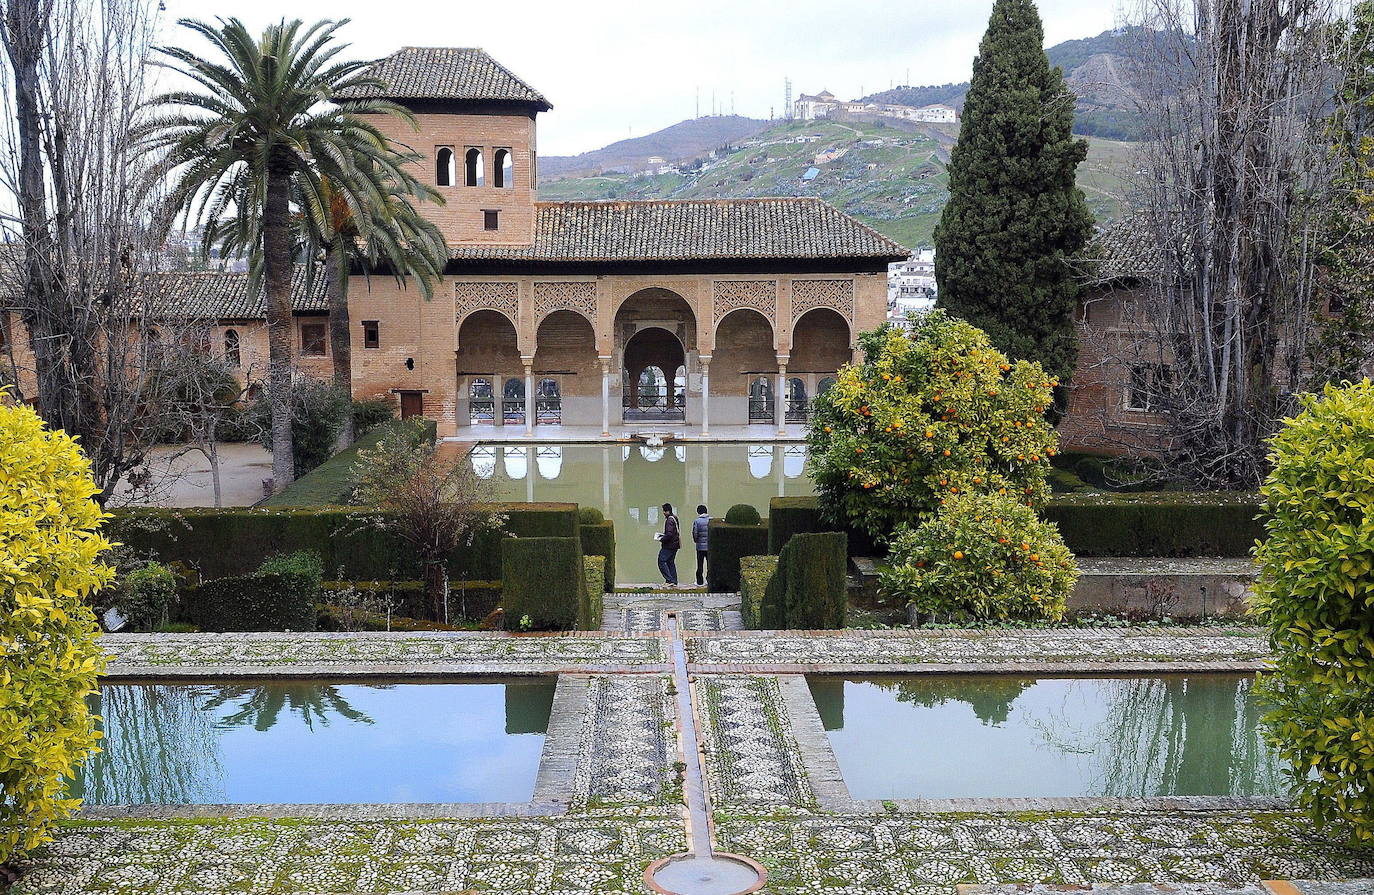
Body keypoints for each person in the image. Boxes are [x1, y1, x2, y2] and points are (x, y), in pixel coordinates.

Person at [656, 502, 680, 587]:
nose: (663, 513)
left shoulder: (669, 520)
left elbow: (669, 534)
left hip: (669, 545)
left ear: (667, 511)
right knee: (670, 562)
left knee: (661, 561)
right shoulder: (674, 518)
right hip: (675, 545)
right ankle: (674, 581)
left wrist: (662, 538)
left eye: (664, 511)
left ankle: (669, 580)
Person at [692, 505, 710, 587]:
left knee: (700, 564)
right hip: (710, 547)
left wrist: (696, 541)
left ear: (698, 512)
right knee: (710, 564)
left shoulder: (697, 521)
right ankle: (709, 580)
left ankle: (699, 582)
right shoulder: (711, 520)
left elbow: (695, 533)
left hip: (700, 547)